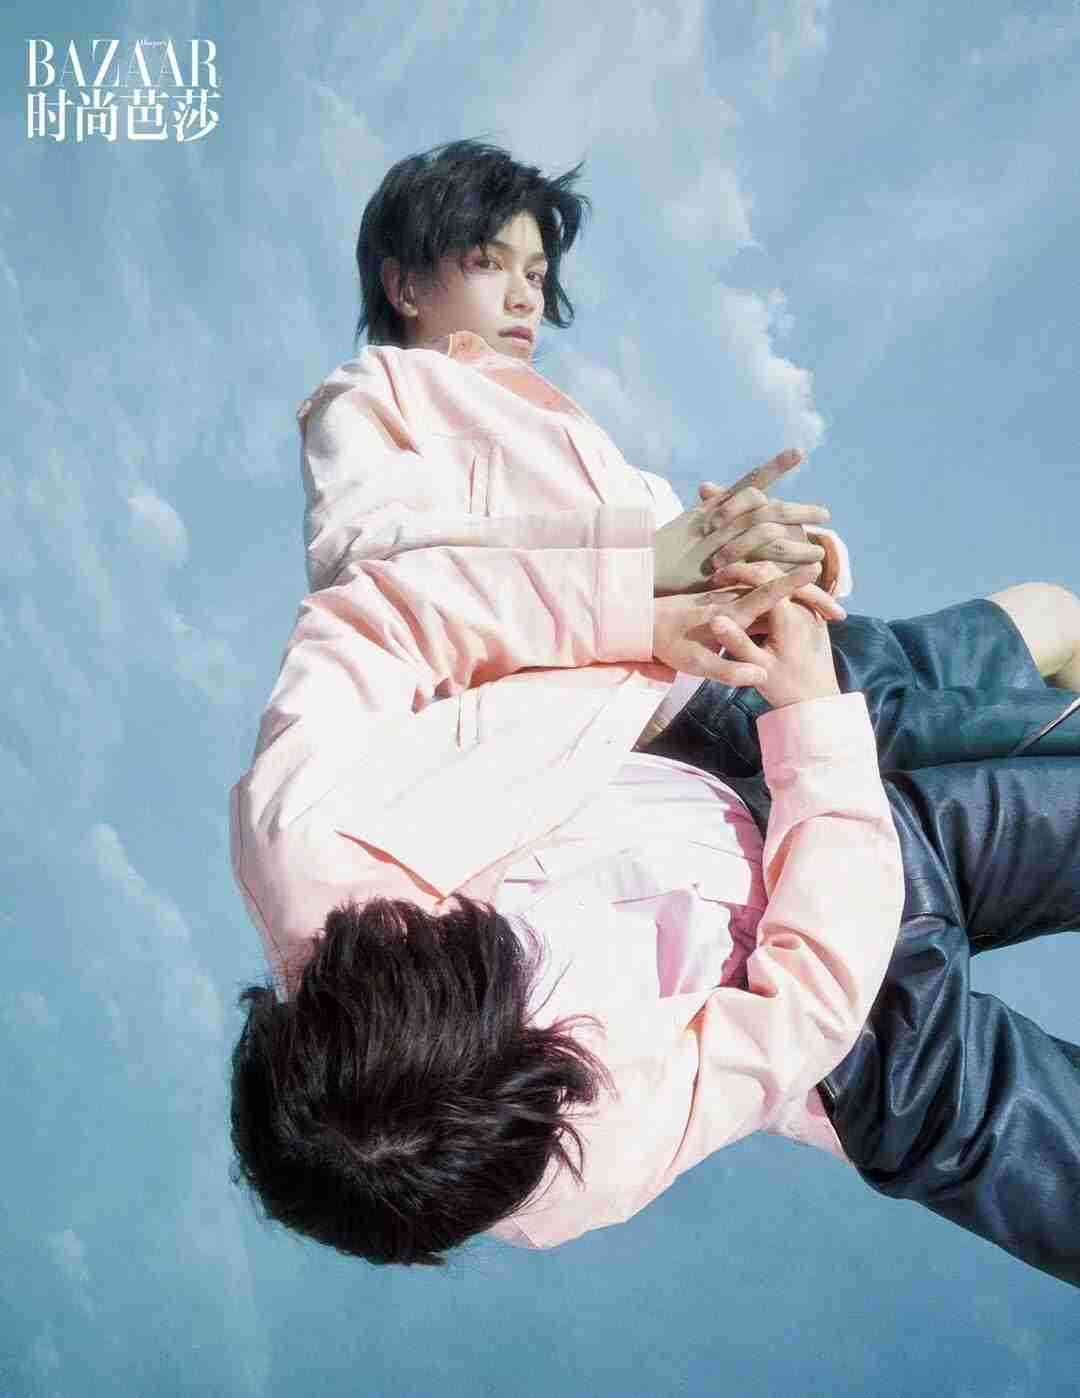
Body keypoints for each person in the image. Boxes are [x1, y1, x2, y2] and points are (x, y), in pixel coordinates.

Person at [228, 139, 1080, 1284]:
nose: (525, 295)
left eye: (534, 273)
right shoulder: (550, 1166)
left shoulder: (317, 841)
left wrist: (721, 571)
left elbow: (398, 606)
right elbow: (793, 1019)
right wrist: (768, 688)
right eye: (491, 263)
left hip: (743, 753)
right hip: (857, 1006)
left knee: (1042, 625)